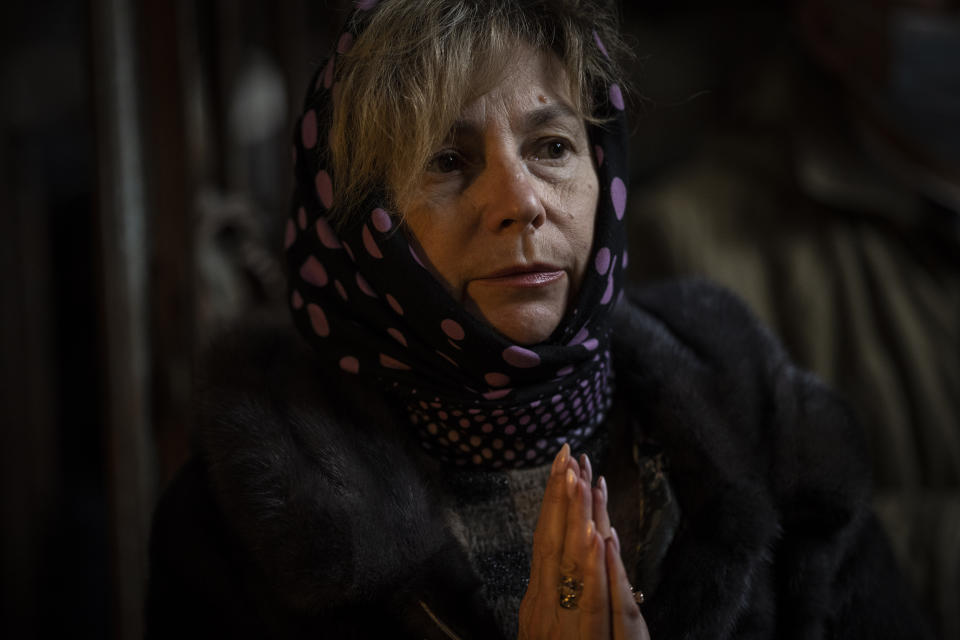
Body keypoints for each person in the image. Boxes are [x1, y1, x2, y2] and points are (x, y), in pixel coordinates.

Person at [145, 1, 932, 638]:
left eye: (552, 146)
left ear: (604, 171)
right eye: (447, 162)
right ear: (362, 223)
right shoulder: (238, 520)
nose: (520, 203)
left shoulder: (755, 418)